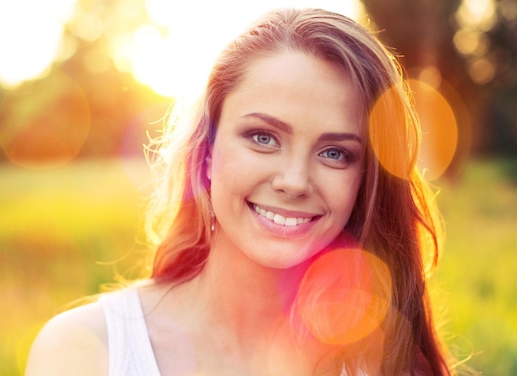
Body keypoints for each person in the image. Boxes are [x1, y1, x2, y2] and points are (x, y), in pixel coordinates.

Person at [26, 7, 453, 375]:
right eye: (263, 137)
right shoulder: (84, 351)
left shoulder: (389, 364)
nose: (294, 180)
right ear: (207, 153)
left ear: (365, 181)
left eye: (335, 153)